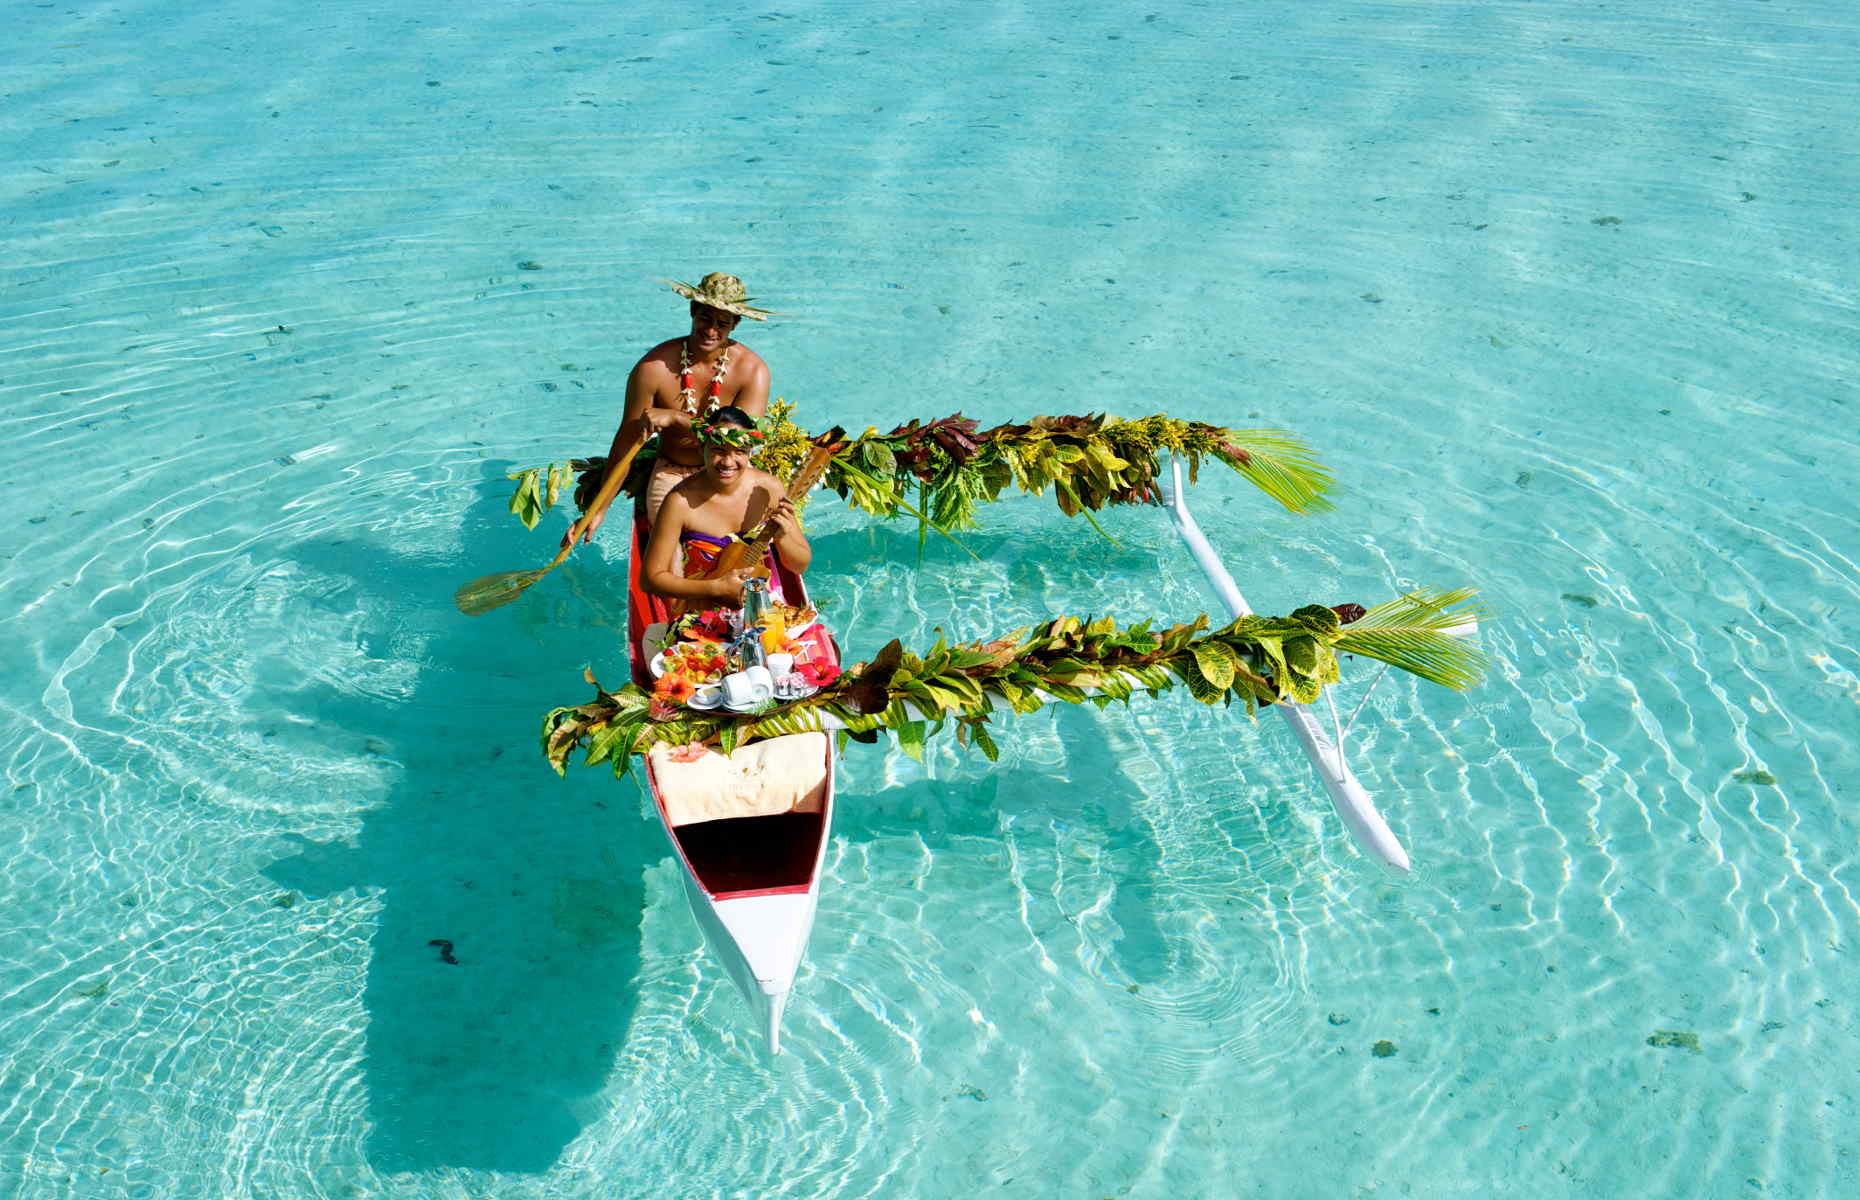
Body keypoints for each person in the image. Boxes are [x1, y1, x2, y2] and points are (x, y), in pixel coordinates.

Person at [574, 273, 777, 546]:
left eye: (722, 323)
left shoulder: (753, 371)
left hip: (730, 471)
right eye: (705, 318)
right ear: (693, 310)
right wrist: (598, 509)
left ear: (735, 325)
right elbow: (627, 440)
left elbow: (742, 441)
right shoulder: (653, 368)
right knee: (673, 542)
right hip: (672, 471)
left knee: (746, 539)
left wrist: (676, 418)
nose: (711, 330)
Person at [642, 406, 811, 607]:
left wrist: (783, 538)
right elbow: (650, 579)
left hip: (765, 607)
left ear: (750, 453)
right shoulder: (680, 501)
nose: (728, 462)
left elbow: (799, 564)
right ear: (701, 449)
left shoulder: (769, 489)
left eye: (739, 451)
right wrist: (716, 588)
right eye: (718, 450)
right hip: (702, 612)